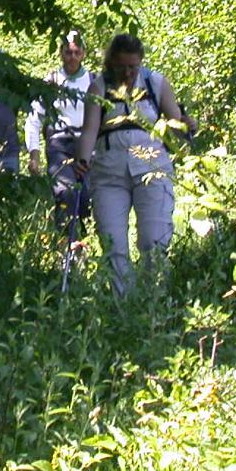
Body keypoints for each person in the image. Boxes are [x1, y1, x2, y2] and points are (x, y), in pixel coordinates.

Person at [73, 35, 189, 295]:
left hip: (153, 169)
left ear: (140, 63)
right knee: (113, 244)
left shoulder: (156, 83)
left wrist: (188, 126)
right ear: (111, 62)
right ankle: (121, 309)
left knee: (154, 239)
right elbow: (90, 130)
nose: (127, 72)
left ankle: (154, 305)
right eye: (121, 66)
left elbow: (177, 124)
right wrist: (82, 159)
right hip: (108, 174)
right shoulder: (99, 88)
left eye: (132, 66)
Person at [25, 31, 93, 229]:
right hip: (59, 144)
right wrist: (34, 155)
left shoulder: (93, 81)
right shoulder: (51, 82)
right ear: (61, 54)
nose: (72, 57)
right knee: (65, 192)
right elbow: (34, 119)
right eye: (68, 52)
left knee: (87, 195)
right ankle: (66, 245)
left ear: (83, 54)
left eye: (77, 52)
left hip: (88, 145)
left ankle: (85, 244)